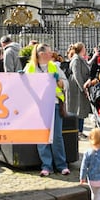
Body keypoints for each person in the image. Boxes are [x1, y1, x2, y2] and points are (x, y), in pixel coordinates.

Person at [24, 42, 70, 176]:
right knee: (42, 136)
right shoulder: (29, 68)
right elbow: (24, 86)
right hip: (38, 107)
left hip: (54, 104)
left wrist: (59, 81)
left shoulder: (54, 66)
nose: (52, 54)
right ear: (41, 54)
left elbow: (65, 83)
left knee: (57, 136)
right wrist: (21, 78)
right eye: (49, 52)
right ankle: (46, 166)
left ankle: (61, 165)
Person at [67, 42, 93, 138]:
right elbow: (77, 74)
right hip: (76, 87)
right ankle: (77, 131)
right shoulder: (76, 59)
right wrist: (83, 88)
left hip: (82, 86)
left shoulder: (81, 58)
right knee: (77, 108)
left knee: (81, 109)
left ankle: (80, 130)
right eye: (84, 48)